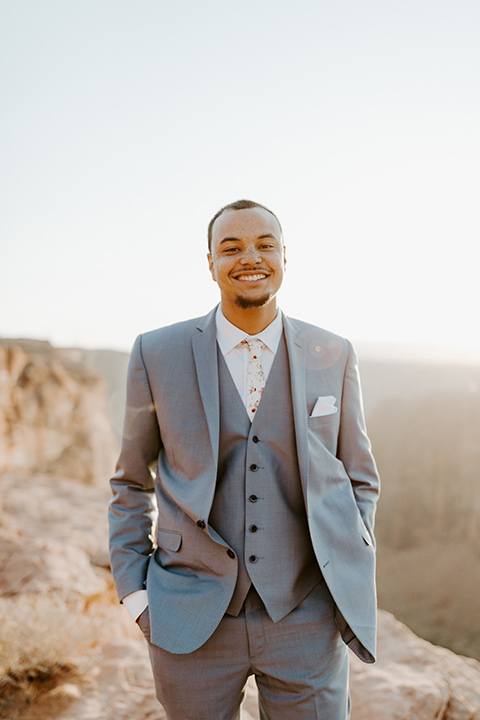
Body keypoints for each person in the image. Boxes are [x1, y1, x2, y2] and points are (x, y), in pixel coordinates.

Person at [108, 199, 380, 720]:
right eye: (230, 247)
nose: (249, 257)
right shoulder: (155, 353)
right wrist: (136, 596)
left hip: (305, 616)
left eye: (264, 245)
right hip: (187, 617)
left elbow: (359, 476)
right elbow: (129, 481)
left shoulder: (334, 352)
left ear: (284, 256)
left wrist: (345, 565)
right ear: (209, 262)